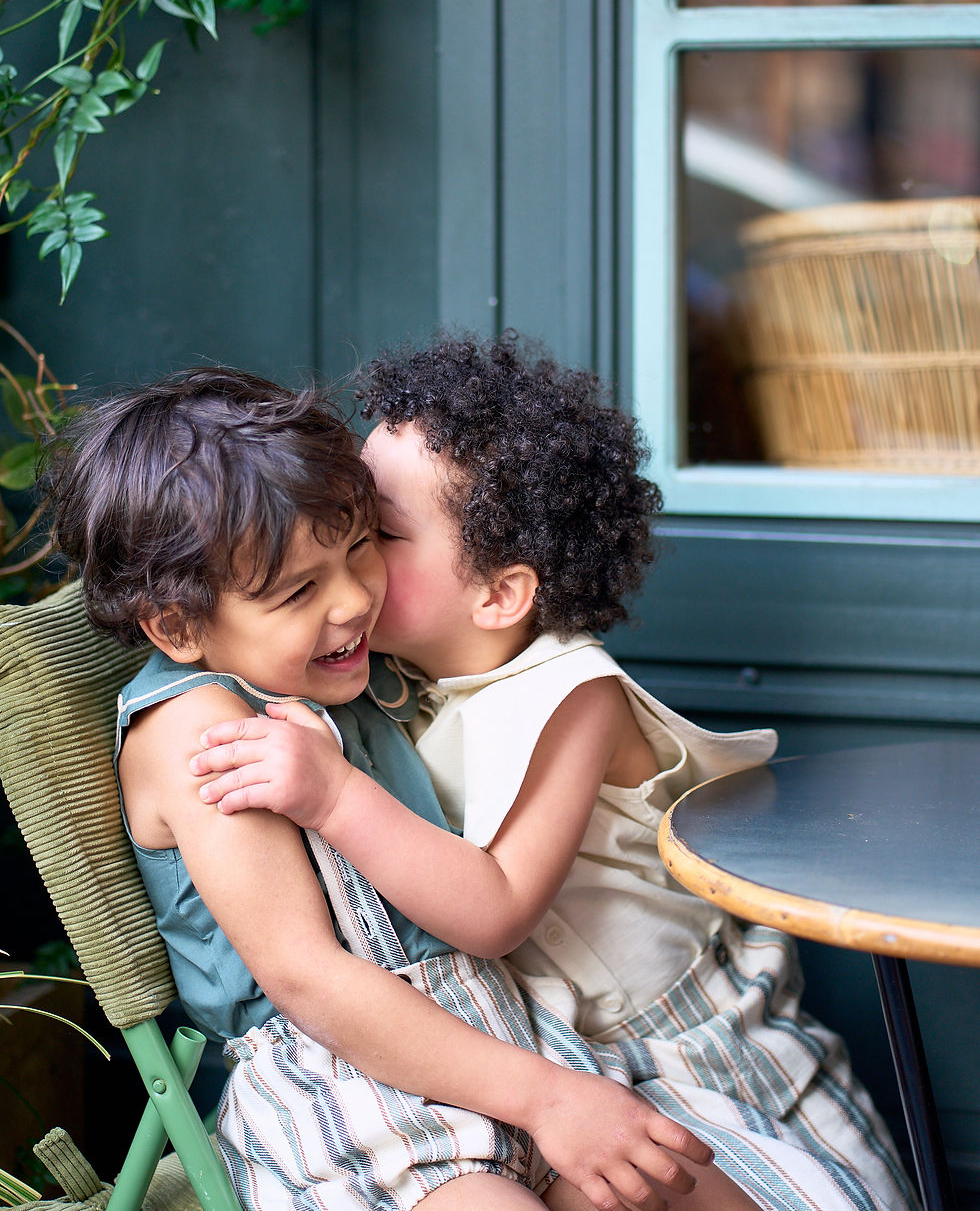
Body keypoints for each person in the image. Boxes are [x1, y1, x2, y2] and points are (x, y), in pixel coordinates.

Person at [192, 335, 920, 1211]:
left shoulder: (571, 697)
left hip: (692, 1051)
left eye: (374, 533)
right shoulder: (386, 678)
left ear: (500, 596)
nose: (346, 560)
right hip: (556, 1050)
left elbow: (493, 909)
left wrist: (336, 794)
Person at [44, 365, 717, 1211]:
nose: (356, 598)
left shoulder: (321, 675)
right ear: (178, 626)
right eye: (300, 589)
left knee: (680, 1182)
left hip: (490, 1030)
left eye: (362, 545)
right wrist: (546, 1098)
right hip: (348, 1083)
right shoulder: (202, 732)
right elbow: (308, 978)